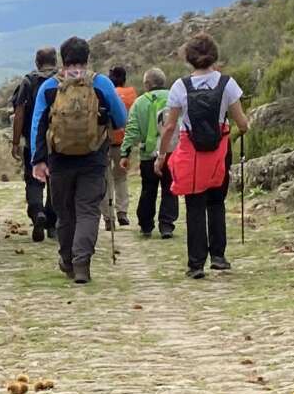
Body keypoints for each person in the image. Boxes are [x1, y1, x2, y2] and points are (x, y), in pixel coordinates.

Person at [28, 35, 130, 285]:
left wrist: (38, 159)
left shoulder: (50, 87)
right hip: (93, 159)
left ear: (64, 60)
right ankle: (82, 264)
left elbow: (37, 124)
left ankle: (67, 260)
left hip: (59, 160)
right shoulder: (101, 83)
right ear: (87, 58)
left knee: (65, 214)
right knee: (87, 211)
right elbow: (120, 119)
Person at [158, 33, 245, 278]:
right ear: (214, 56)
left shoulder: (179, 87)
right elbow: (243, 122)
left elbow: (169, 126)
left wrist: (161, 155)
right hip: (219, 152)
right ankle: (218, 256)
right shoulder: (227, 84)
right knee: (216, 202)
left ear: (189, 59)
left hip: (190, 153)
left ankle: (196, 264)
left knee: (194, 206)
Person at [8, 46, 59, 242]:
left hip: (34, 140)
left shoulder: (29, 81)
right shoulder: (63, 81)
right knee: (55, 181)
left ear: (37, 62)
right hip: (60, 142)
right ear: (55, 61)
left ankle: (38, 212)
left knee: (33, 180)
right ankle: (52, 224)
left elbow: (19, 113)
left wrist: (15, 142)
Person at [125, 66, 179, 240]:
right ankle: (167, 225)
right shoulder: (175, 97)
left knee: (148, 189)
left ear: (148, 84)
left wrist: (125, 153)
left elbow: (132, 130)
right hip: (172, 153)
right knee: (170, 188)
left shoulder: (140, 102)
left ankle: (146, 224)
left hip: (148, 155)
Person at [104, 65, 133, 228]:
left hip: (105, 142)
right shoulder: (131, 95)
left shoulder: (107, 94)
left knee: (105, 180)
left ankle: (109, 218)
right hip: (123, 143)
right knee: (121, 178)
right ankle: (122, 211)